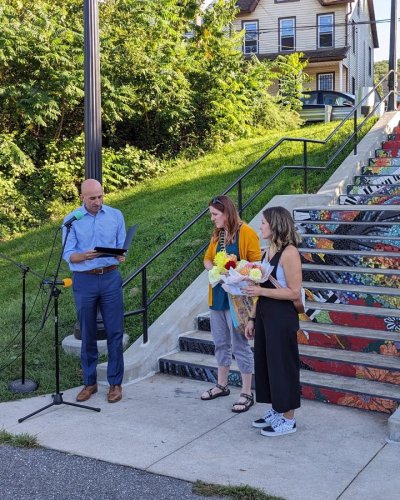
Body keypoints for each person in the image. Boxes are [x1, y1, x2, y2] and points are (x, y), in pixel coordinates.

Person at [62, 179, 126, 404]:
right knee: (88, 333)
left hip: (110, 277)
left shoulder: (116, 215)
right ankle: (89, 383)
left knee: (115, 332)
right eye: (92, 198)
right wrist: (84, 256)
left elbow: (121, 247)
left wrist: (120, 255)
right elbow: (68, 254)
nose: (98, 201)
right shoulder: (71, 220)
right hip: (84, 280)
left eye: (100, 196)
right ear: (82, 197)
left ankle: (115, 384)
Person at [244, 206, 302, 435]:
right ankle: (277, 410)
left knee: (283, 366)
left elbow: (294, 292)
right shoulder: (267, 251)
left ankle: (289, 419)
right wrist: (251, 318)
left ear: (276, 225)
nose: (260, 226)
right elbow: (261, 290)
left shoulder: (289, 253)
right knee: (267, 365)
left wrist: (261, 291)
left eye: (264, 223)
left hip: (282, 317)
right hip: (266, 315)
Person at [201, 195, 261, 412]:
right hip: (217, 296)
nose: (212, 218)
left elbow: (257, 266)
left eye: (215, 214)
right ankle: (222, 384)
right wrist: (214, 270)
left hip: (237, 299)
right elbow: (207, 258)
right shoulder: (218, 234)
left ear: (227, 213)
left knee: (240, 344)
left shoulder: (247, 233)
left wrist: (236, 271)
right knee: (220, 342)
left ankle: (246, 392)